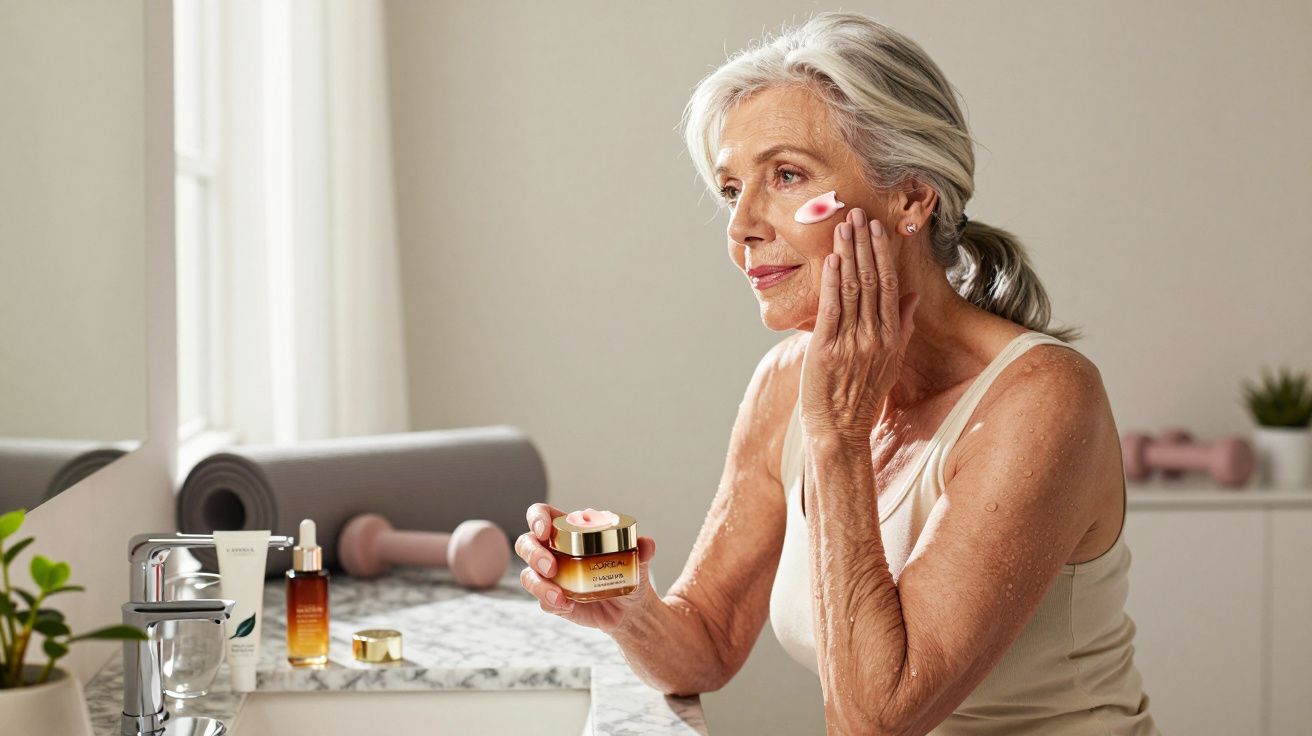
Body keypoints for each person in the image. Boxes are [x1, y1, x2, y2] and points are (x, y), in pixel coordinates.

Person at [517, 10, 1157, 734]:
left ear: (912, 197)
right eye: (732, 190)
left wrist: (839, 436)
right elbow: (706, 642)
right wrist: (628, 609)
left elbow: (875, 722)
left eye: (787, 176)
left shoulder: (1043, 400)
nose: (742, 227)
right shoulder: (787, 382)